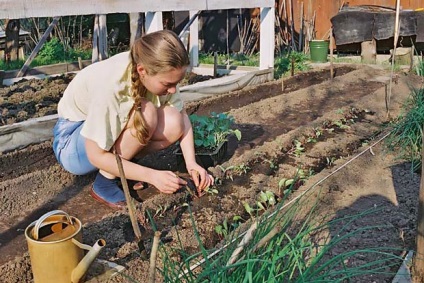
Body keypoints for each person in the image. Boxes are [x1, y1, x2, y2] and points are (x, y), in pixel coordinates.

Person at [53, 30, 214, 209]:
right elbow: (95, 155)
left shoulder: (150, 66)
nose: (173, 91)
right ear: (142, 71)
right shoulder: (112, 86)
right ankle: (104, 184)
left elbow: (182, 117)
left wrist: (191, 163)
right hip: (71, 144)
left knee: (174, 122)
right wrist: (152, 175)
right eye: (168, 84)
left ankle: (125, 170)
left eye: (176, 83)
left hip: (93, 137)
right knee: (146, 113)